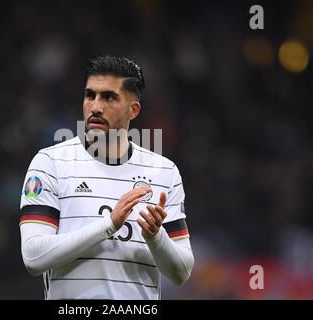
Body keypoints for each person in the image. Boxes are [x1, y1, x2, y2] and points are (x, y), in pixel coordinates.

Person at [19, 55, 194, 299]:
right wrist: (109, 225)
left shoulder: (164, 172)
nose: (96, 106)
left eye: (108, 97)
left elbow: (181, 272)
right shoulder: (50, 163)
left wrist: (156, 237)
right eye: (90, 95)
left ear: (133, 109)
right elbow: (33, 257)